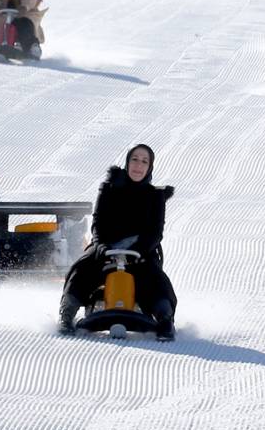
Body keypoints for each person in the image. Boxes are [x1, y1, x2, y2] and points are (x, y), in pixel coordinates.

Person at [59, 145, 177, 340]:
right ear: (128, 162)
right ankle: (66, 314)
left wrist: (139, 250)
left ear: (149, 168)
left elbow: (155, 232)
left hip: (141, 251)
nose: (138, 165)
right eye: (135, 160)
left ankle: (165, 319)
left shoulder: (155, 197)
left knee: (155, 278)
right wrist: (102, 246)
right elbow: (98, 223)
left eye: (144, 161)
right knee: (82, 267)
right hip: (106, 246)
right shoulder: (109, 189)